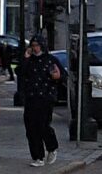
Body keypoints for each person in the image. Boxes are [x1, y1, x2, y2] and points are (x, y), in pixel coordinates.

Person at [12, 37, 65, 167]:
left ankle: (51, 147)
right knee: (31, 128)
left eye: (37, 45)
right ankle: (38, 157)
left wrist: (57, 77)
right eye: (33, 45)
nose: (35, 48)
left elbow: (61, 75)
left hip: (45, 97)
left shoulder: (50, 60)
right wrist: (25, 58)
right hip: (31, 97)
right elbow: (19, 72)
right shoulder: (29, 61)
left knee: (43, 125)